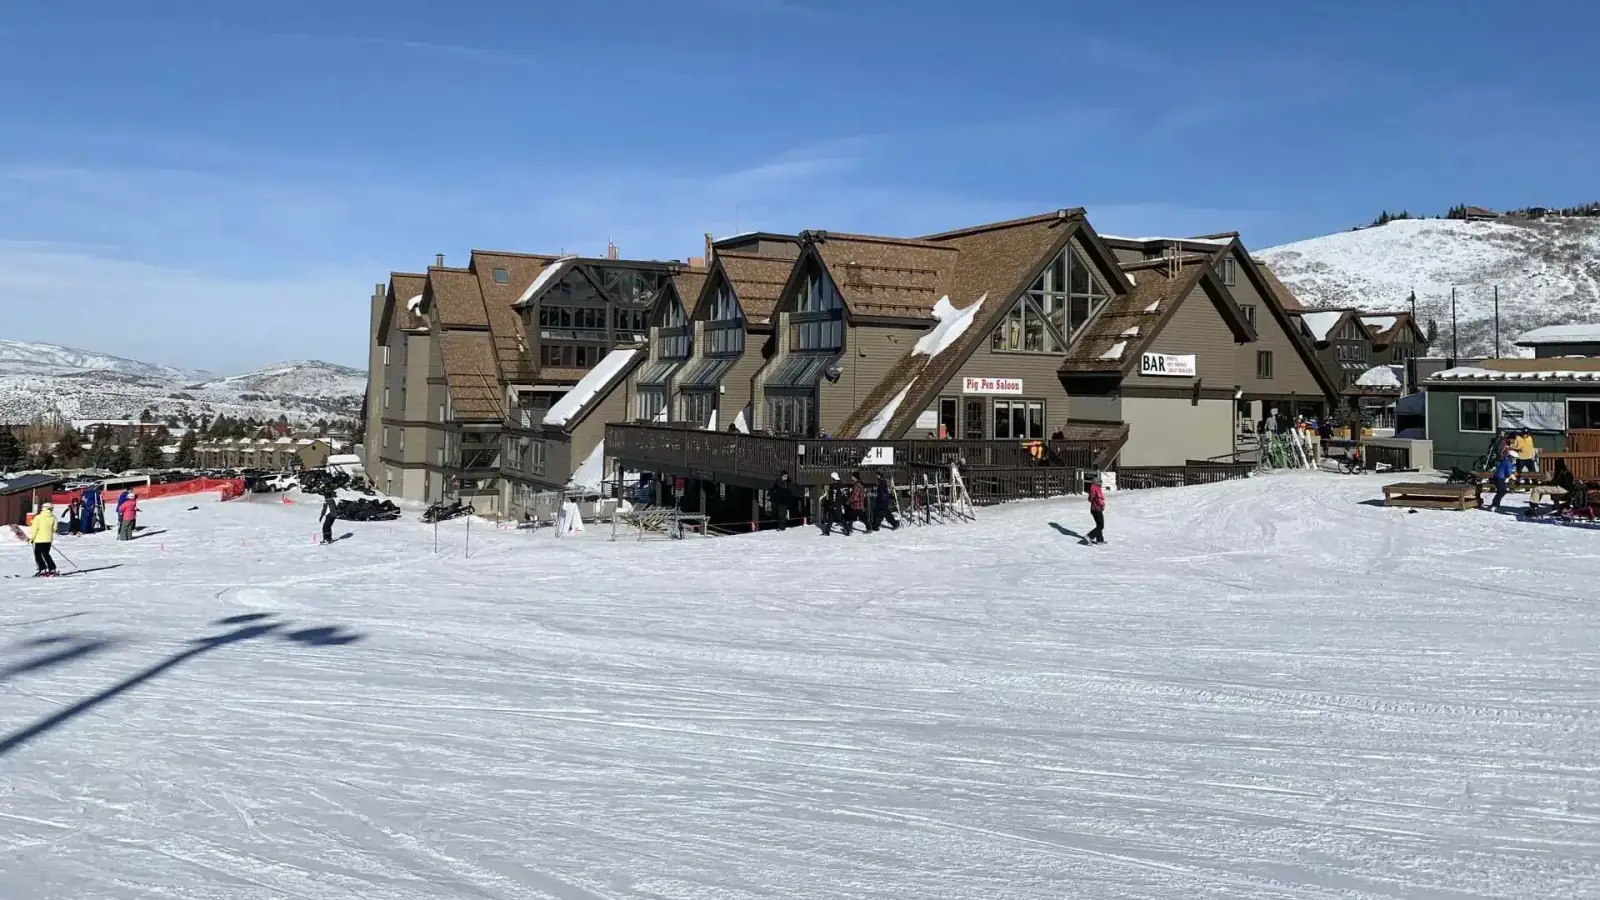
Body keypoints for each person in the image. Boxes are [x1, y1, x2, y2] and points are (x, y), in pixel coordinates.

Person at [30, 502, 58, 576]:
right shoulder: (53, 517)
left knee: (38, 555)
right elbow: (55, 528)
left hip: (39, 539)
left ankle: (42, 569)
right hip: (48, 540)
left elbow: (34, 529)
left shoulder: (38, 517)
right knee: (46, 554)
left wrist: (32, 538)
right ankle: (52, 569)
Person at [1086, 473, 1107, 544]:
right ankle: (1090, 536)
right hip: (1096, 508)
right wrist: (1097, 501)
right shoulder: (1094, 488)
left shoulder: (1095, 487)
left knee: (1099, 525)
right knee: (1101, 526)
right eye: (1100, 482)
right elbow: (1091, 498)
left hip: (1096, 508)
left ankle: (1100, 540)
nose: (1101, 483)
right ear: (1097, 482)